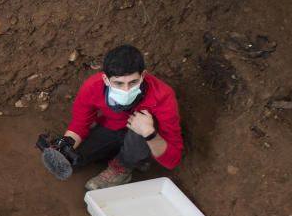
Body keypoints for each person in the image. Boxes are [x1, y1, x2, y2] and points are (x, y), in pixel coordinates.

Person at [38, 44, 184, 190]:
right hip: (111, 129)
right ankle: (125, 155)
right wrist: (65, 144)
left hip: (142, 137)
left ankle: (124, 166)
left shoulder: (163, 96)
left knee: (141, 127)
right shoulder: (93, 86)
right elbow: (80, 123)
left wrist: (149, 134)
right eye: (118, 83)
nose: (126, 90)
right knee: (72, 158)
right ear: (106, 80)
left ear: (143, 76)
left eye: (133, 82)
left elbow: (172, 160)